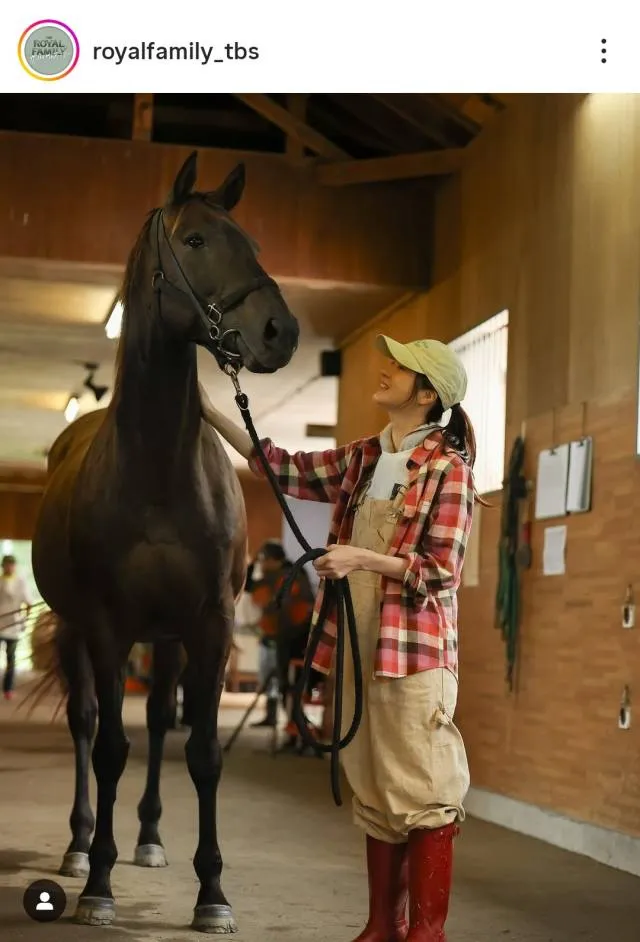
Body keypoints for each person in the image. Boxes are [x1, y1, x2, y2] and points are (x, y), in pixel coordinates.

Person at [199, 334, 480, 942]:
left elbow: (441, 571)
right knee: (374, 785)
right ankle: (383, 925)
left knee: (425, 787)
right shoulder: (364, 458)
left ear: (427, 393)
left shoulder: (449, 469)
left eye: (401, 367)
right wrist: (212, 411)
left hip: (413, 655)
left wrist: (359, 557)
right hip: (357, 645)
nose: (386, 369)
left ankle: (426, 933)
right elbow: (280, 466)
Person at [0, 554, 33, 700]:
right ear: (3, 566)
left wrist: (24, 620)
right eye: (7, 565)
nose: (9, 567)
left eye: (11, 565)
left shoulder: (20, 582)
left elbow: (29, 603)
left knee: (11, 659)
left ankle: (8, 688)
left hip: (14, 626)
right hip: (0, 624)